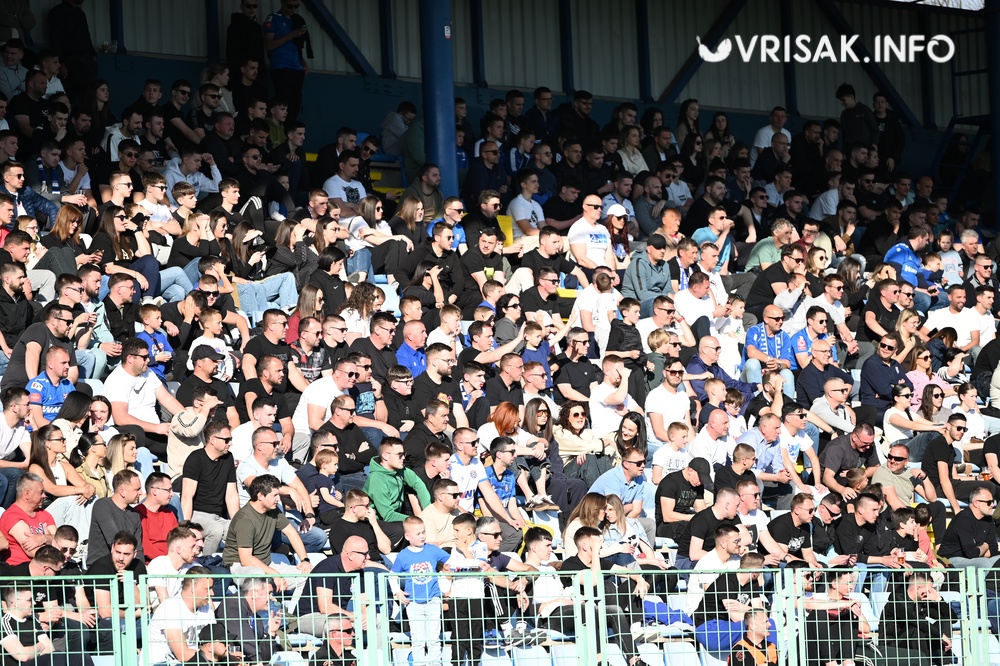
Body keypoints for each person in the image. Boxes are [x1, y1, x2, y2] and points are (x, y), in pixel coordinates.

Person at [223, 474, 314, 609]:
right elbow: (246, 559)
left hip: (266, 564)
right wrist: (274, 573)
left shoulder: (273, 511)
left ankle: (294, 614)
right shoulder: (245, 520)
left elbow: (291, 533)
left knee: (307, 575)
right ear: (260, 496)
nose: (279, 499)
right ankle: (266, 617)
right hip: (240, 567)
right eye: (275, 495)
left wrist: (304, 560)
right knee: (259, 576)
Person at [389, 516, 451, 666]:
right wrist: (397, 591)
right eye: (418, 534)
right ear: (407, 536)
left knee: (434, 638)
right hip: (413, 603)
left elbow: (451, 561)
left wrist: (473, 563)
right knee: (418, 639)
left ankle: (436, 664)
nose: (422, 536)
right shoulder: (403, 555)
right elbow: (392, 575)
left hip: (433, 600)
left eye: (423, 532)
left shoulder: (432, 550)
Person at [145, 567, 217, 665]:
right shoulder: (170, 608)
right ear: (193, 588)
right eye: (208, 589)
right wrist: (217, 657)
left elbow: (215, 643)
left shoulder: (206, 607)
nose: (212, 593)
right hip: (163, 662)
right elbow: (183, 654)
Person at [86, 469, 143, 567]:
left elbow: (138, 549)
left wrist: (140, 571)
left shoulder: (135, 515)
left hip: (126, 568)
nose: (141, 492)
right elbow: (115, 540)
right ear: (122, 491)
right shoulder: (102, 506)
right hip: (101, 568)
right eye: (136, 489)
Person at [938, 485, 1000, 568]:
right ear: (976, 503)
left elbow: (994, 549)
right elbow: (972, 553)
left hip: (976, 558)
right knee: (984, 564)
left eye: (993, 501)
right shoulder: (963, 519)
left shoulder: (988, 519)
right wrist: (985, 545)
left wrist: (979, 550)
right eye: (989, 502)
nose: (992, 505)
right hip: (952, 559)